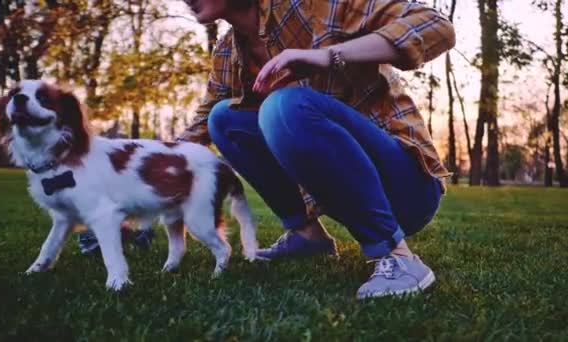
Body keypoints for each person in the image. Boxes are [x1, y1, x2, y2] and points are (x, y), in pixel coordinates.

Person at [178, 0, 455, 299]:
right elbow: (201, 125)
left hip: (407, 186)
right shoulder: (227, 51)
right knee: (223, 118)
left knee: (283, 105)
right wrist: (141, 175)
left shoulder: (318, 5)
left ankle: (399, 257)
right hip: (341, 192)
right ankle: (308, 237)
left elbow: (435, 26)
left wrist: (326, 56)